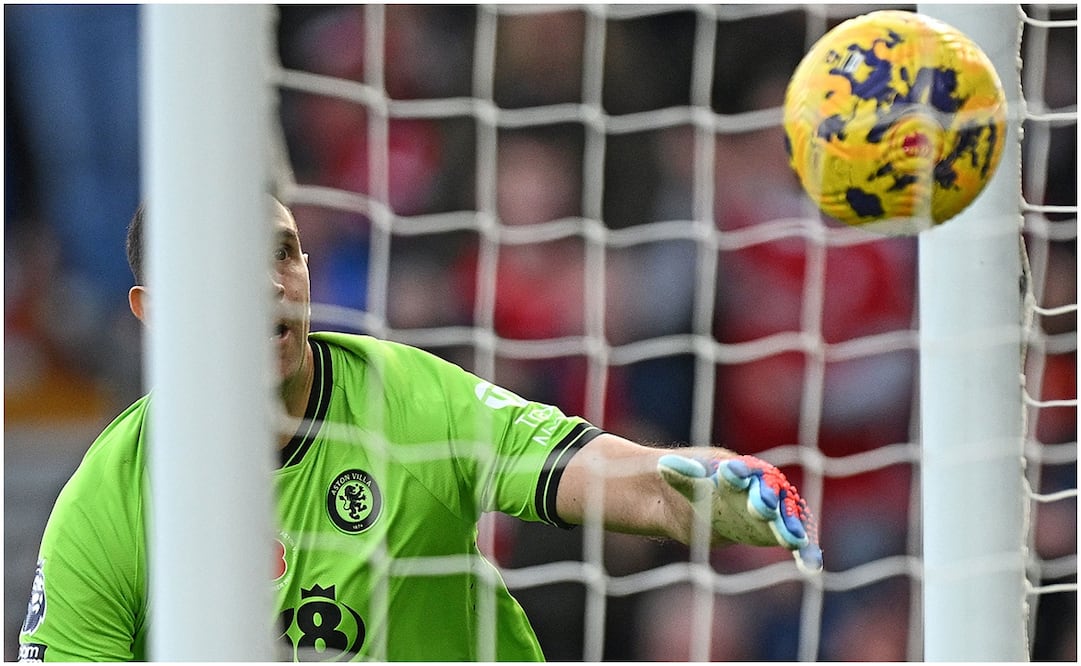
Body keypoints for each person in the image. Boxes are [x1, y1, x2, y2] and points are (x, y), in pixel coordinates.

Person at [17, 198, 821, 662]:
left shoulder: (408, 397)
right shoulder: (106, 504)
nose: (270, 284)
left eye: (285, 253)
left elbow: (621, 478)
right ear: (154, 313)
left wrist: (712, 489)